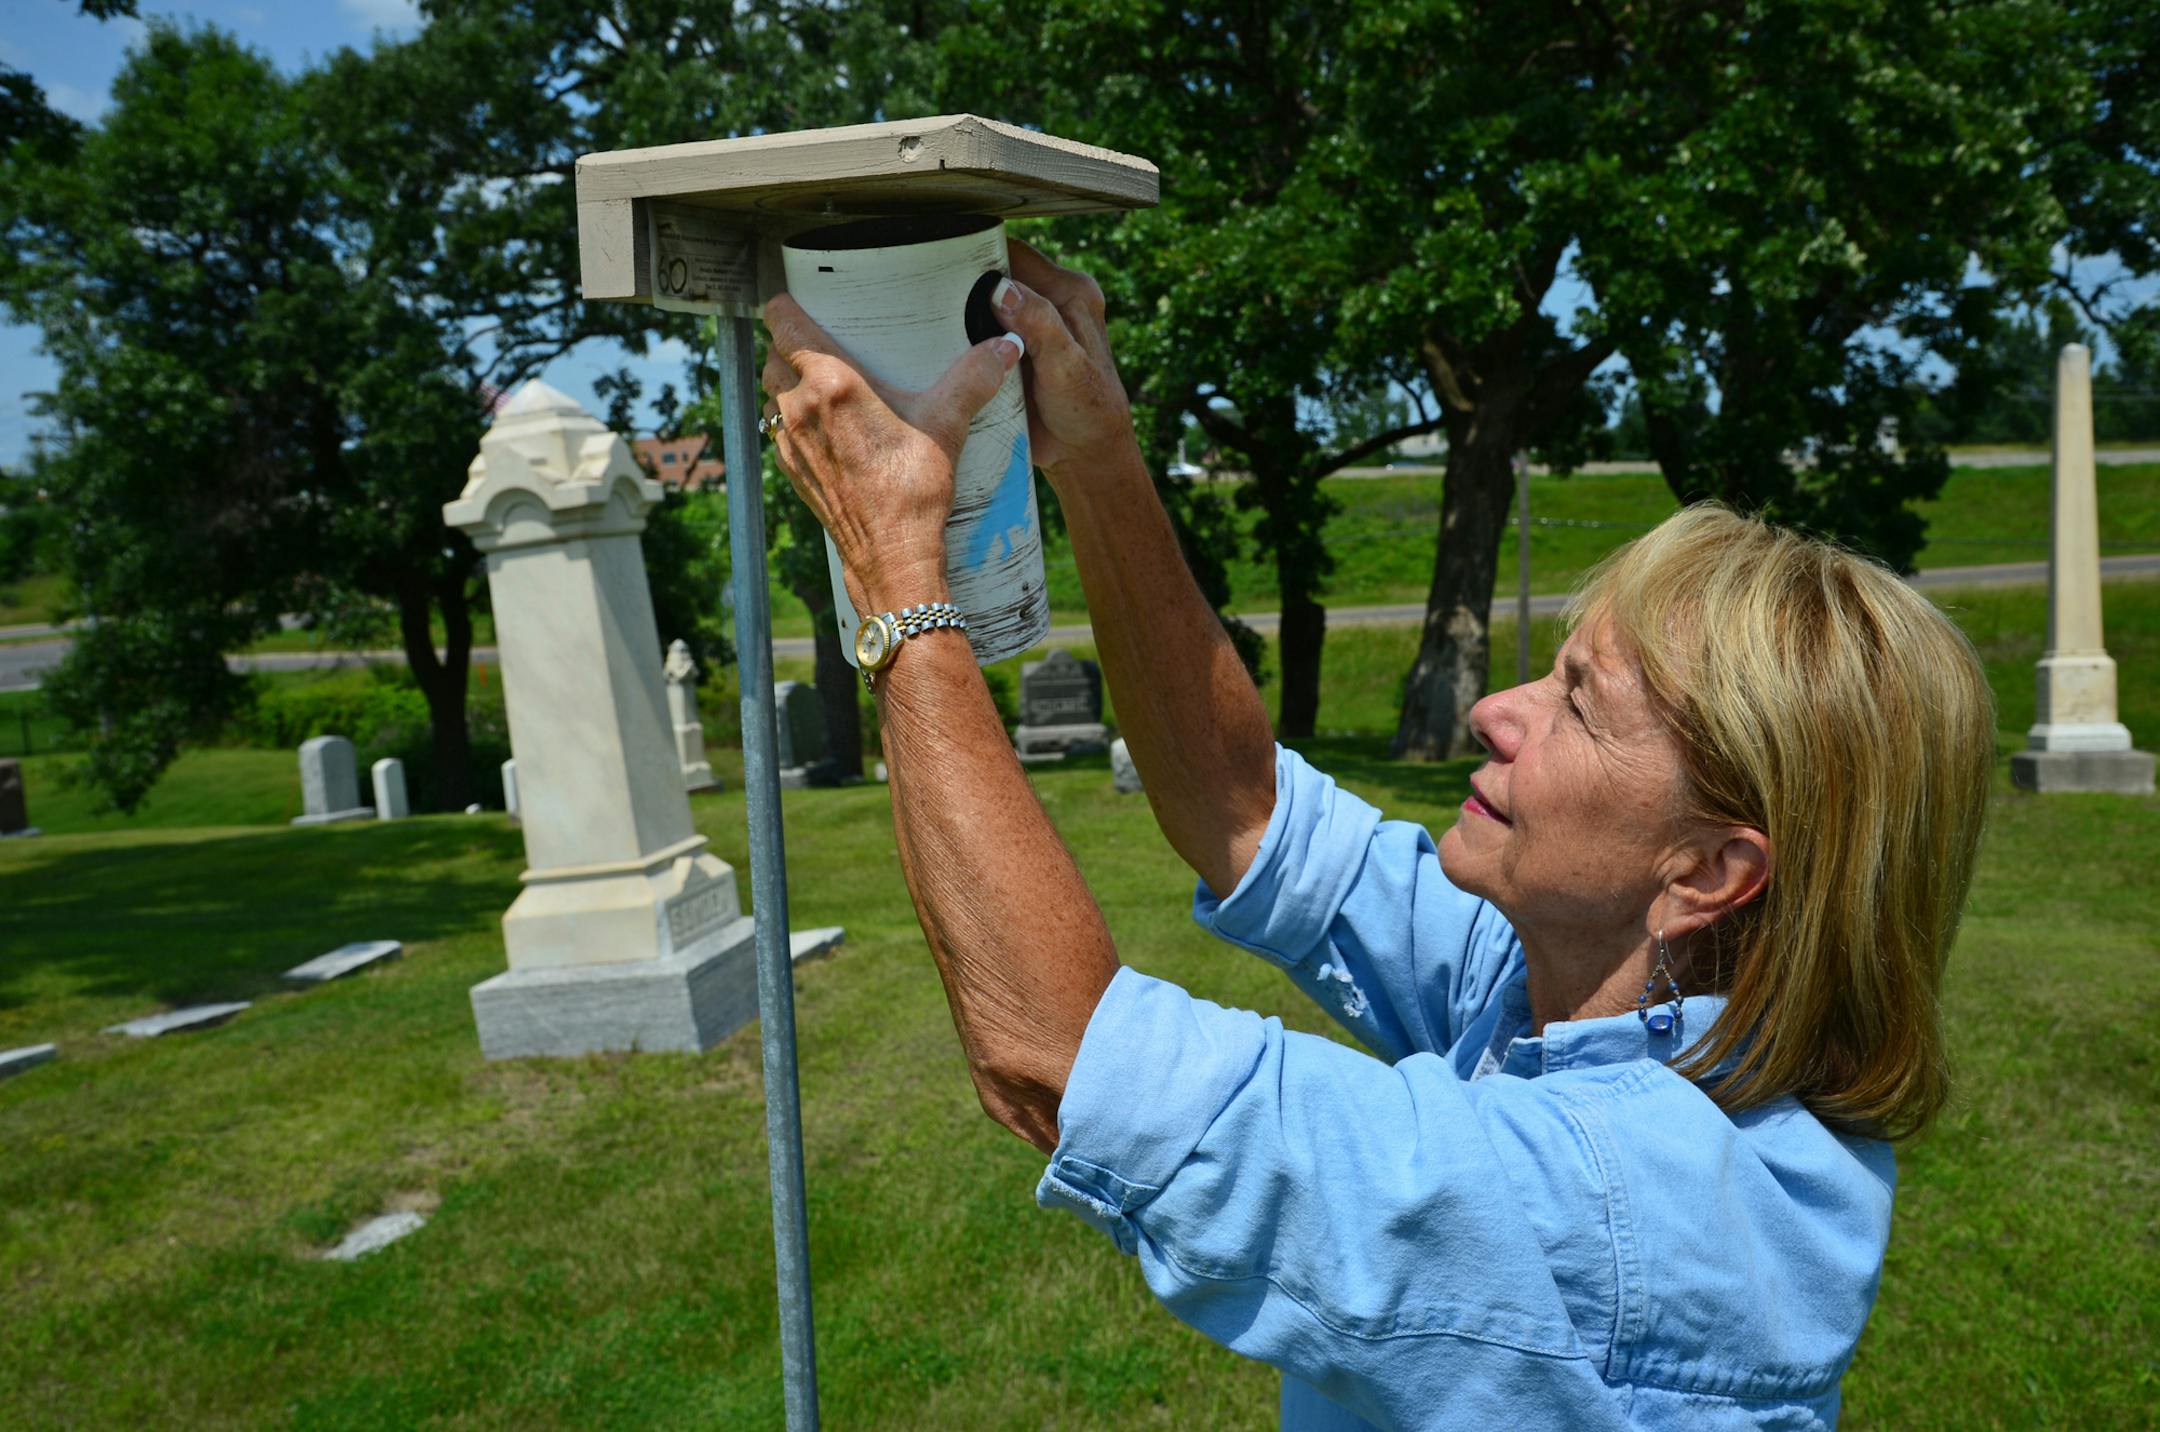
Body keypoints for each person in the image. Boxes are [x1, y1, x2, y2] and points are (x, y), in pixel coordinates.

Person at [755, 241, 1995, 1431]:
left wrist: (896, 581)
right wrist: (1095, 450)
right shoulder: (1579, 992)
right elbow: (1245, 812)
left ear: (1712, 871)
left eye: (1579, 705)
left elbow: (1059, 1055)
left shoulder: (1625, 1208)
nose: (1497, 712)